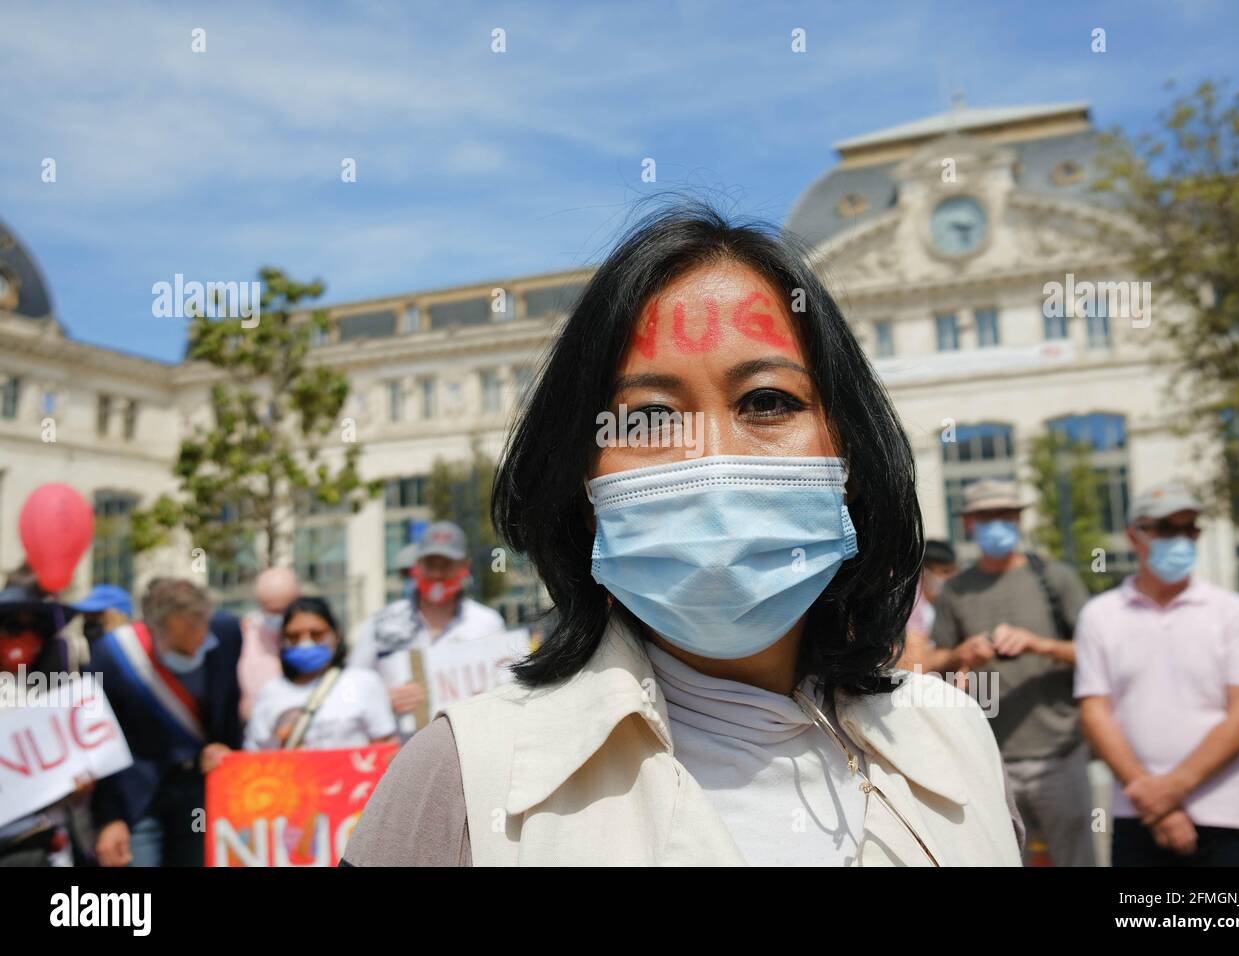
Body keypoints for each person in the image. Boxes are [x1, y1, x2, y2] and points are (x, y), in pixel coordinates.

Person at [344, 203, 1023, 866]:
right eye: (648, 418)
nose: (711, 462)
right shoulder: (465, 781)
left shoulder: (957, 744)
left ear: (850, 460)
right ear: (582, 489)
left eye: (767, 402)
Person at [1074, 483, 1239, 867]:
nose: (1179, 540)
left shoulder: (1235, 612)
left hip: (1223, 814)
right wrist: (1155, 802)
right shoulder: (1100, 615)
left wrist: (1168, 791)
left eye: (1189, 529)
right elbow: (1095, 713)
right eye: (1165, 529)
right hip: (1136, 812)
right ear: (1134, 535)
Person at [928, 479, 1096, 866]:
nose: (996, 524)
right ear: (968, 523)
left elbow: (1098, 654)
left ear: (1019, 519)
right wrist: (962, 656)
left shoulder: (1055, 578)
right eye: (985, 516)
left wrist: (1040, 645)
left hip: (1060, 753)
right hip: (989, 759)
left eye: (1005, 515)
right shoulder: (957, 590)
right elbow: (932, 667)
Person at [91, 578, 243, 867]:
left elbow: (229, 707)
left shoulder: (226, 633)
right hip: (139, 797)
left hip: (200, 790)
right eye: (181, 648)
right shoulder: (113, 654)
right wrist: (109, 818)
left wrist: (226, 749)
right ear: (152, 631)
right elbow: (101, 741)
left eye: (199, 636)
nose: (194, 651)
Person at [349, 521, 515, 737]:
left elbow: (506, 686)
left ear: (465, 566)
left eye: (446, 564)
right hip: (399, 748)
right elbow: (352, 686)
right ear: (417, 566)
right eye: (430, 564)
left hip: (467, 744)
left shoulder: (487, 623)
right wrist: (384, 699)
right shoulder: (383, 622)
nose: (437, 573)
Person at [0, 574, 91, 866]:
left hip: (45, 840)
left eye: (36, 627)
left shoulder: (60, 695)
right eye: (14, 626)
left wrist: (82, 784)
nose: (26, 637)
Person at [245, 596, 397, 751]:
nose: (305, 644)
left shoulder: (363, 682)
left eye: (316, 635)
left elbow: (385, 746)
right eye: (293, 637)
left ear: (336, 636)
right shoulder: (270, 692)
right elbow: (254, 754)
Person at [238, 567, 300, 720]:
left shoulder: (314, 637)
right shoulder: (246, 635)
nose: (278, 617)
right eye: (272, 610)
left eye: (284, 610)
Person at [898, 539, 957, 671]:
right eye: (945, 571)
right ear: (924, 572)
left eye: (953, 571)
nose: (951, 577)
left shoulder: (949, 601)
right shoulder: (911, 603)